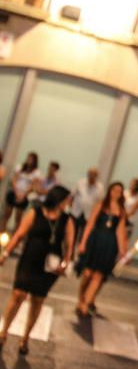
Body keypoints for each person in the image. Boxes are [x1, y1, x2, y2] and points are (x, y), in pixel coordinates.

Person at [0, 186, 74, 355]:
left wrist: (66, 262)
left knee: (37, 301)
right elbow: (19, 234)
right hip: (30, 260)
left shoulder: (67, 220)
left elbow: (69, 245)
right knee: (18, 295)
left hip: (49, 266)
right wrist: (5, 253)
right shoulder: (36, 212)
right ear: (58, 199)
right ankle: (3, 332)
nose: (68, 203)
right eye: (66, 200)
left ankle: (25, 338)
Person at [75, 181, 128, 317]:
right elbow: (90, 224)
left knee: (98, 276)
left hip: (109, 245)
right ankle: (81, 299)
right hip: (95, 241)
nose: (116, 193)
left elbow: (120, 231)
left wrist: (123, 250)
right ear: (109, 191)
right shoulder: (101, 205)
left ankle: (86, 304)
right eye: (114, 190)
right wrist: (83, 242)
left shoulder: (121, 211)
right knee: (87, 274)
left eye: (119, 191)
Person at [2, 152, 41, 232]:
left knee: (18, 217)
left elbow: (33, 185)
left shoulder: (36, 172)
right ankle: (2, 230)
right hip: (15, 192)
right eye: (28, 158)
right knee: (7, 214)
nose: (29, 160)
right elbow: (14, 179)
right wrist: (16, 192)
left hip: (24, 195)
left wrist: (23, 195)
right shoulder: (20, 167)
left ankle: (14, 234)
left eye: (31, 159)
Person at [69, 167, 104, 243]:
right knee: (72, 235)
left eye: (93, 175)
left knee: (83, 236)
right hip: (76, 212)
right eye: (90, 174)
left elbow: (100, 203)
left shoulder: (100, 188)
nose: (91, 176)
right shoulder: (80, 182)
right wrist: (70, 207)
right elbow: (72, 195)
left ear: (96, 176)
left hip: (88, 215)